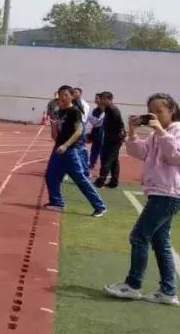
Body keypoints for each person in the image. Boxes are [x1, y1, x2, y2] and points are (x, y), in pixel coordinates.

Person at [104, 93, 180, 305]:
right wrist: (133, 131)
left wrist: (161, 130)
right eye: (151, 112)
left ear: (172, 110)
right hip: (159, 191)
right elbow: (140, 153)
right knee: (160, 240)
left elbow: (174, 155)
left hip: (168, 192)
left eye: (159, 111)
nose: (155, 115)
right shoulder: (157, 134)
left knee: (139, 236)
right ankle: (167, 290)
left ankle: (133, 285)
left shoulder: (175, 130)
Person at [43, 85, 107, 217]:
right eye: (61, 95)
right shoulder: (60, 111)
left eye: (66, 95)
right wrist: (54, 128)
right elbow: (58, 131)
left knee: (80, 179)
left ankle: (99, 206)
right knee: (51, 175)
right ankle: (56, 202)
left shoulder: (75, 111)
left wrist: (66, 145)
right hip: (59, 149)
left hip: (70, 150)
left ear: (71, 96)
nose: (63, 97)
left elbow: (79, 131)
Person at [94, 91, 126, 188]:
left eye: (104, 99)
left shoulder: (113, 110)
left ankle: (101, 180)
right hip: (110, 137)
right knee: (114, 161)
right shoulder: (107, 109)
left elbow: (120, 124)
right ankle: (114, 182)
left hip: (114, 139)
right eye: (102, 99)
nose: (102, 101)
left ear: (110, 100)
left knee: (107, 159)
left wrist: (121, 136)